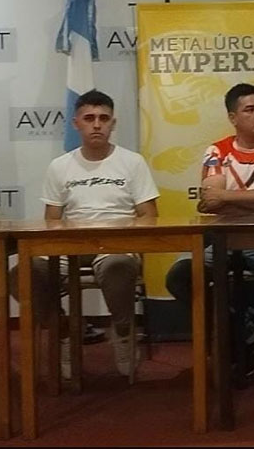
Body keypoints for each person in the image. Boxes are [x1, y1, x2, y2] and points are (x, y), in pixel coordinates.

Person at [9, 90, 159, 378]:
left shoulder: (133, 162)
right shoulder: (60, 166)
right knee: (22, 274)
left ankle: (124, 331)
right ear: (76, 123)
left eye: (104, 118)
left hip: (116, 246)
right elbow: (52, 220)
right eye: (89, 118)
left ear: (113, 123)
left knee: (118, 265)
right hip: (69, 247)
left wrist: (122, 237)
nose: (97, 124)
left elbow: (149, 216)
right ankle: (64, 329)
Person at [166, 83, 254, 378]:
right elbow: (211, 200)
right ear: (233, 118)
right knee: (179, 276)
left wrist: (230, 199)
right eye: (250, 110)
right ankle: (239, 329)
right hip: (220, 237)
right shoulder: (217, 151)